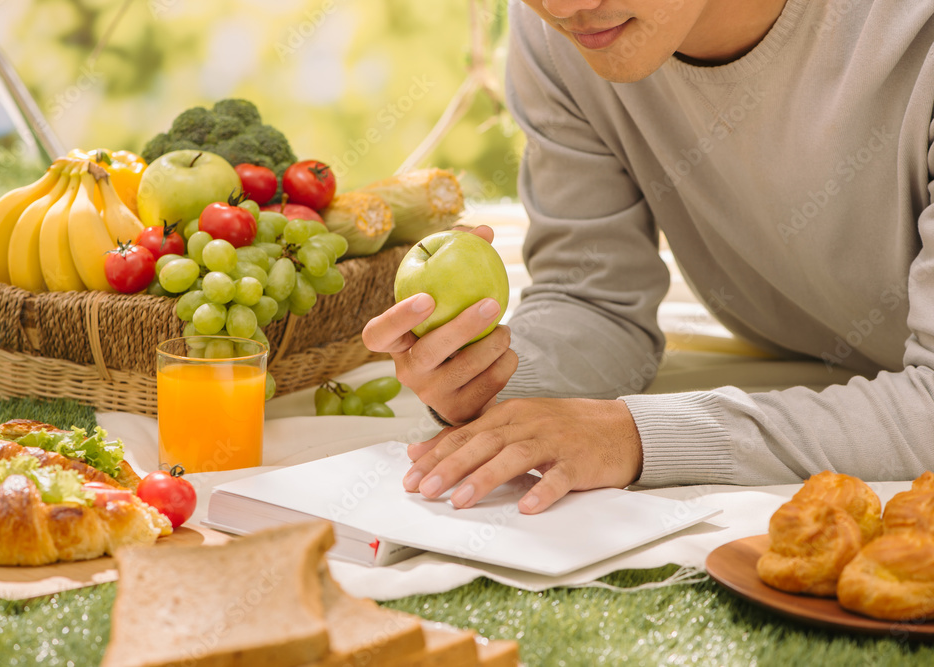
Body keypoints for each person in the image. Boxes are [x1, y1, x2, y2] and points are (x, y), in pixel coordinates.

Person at [361, 0, 934, 514]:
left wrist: (638, 435)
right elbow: (595, 303)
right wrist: (490, 381)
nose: (564, 5)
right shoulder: (560, 37)